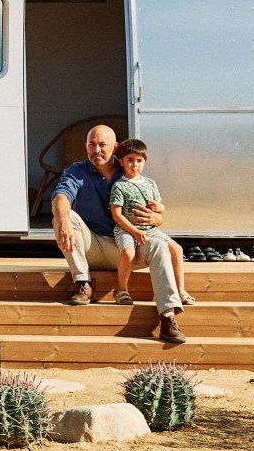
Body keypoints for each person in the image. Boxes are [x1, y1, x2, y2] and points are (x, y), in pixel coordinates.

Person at [50, 124, 186, 343]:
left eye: (102, 145)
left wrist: (157, 219)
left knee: (159, 246)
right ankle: (84, 283)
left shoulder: (130, 170)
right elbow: (61, 197)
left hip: (128, 249)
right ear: (86, 146)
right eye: (91, 145)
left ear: (114, 147)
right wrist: (63, 219)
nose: (96, 150)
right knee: (63, 215)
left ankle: (168, 317)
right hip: (92, 246)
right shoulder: (77, 171)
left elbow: (156, 210)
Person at [107, 138, 194, 310]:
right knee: (129, 254)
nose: (134, 165)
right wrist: (135, 232)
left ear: (144, 162)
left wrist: (160, 207)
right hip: (126, 229)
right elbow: (116, 215)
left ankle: (181, 290)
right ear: (121, 162)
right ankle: (122, 290)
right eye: (130, 160)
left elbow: (160, 208)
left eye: (139, 161)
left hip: (150, 229)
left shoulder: (150, 183)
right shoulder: (119, 186)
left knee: (177, 249)